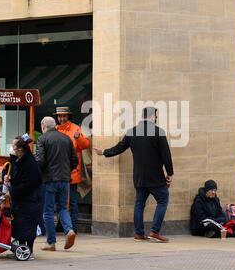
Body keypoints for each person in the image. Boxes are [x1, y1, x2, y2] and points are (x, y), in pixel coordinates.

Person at [94, 107, 173, 243]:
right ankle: (154, 231)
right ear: (153, 117)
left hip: (139, 177)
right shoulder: (158, 132)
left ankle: (139, 233)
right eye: (155, 116)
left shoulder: (132, 132)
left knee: (139, 204)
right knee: (163, 200)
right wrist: (170, 173)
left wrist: (104, 152)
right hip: (155, 177)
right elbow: (166, 155)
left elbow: (119, 147)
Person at [36, 116, 78, 251]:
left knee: (48, 212)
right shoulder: (66, 138)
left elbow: (40, 161)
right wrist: (67, 172)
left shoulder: (42, 139)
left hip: (49, 180)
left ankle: (51, 243)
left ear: (43, 126)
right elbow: (74, 160)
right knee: (63, 208)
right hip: (65, 180)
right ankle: (69, 230)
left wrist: (39, 175)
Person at [4, 134, 42, 260]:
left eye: (13, 145)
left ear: (20, 149)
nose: (12, 148)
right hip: (20, 200)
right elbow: (7, 169)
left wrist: (12, 192)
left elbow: (28, 185)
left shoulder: (30, 163)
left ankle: (29, 251)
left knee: (27, 227)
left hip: (30, 200)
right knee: (19, 225)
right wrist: (5, 176)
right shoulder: (16, 159)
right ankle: (20, 250)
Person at [55, 106, 90, 233]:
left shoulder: (76, 129)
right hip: (58, 173)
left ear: (68, 116)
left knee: (73, 202)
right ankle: (61, 225)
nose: (62, 118)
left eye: (64, 116)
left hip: (72, 173)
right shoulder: (56, 129)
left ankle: (73, 227)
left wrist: (78, 137)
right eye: (60, 116)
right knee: (61, 202)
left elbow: (86, 145)